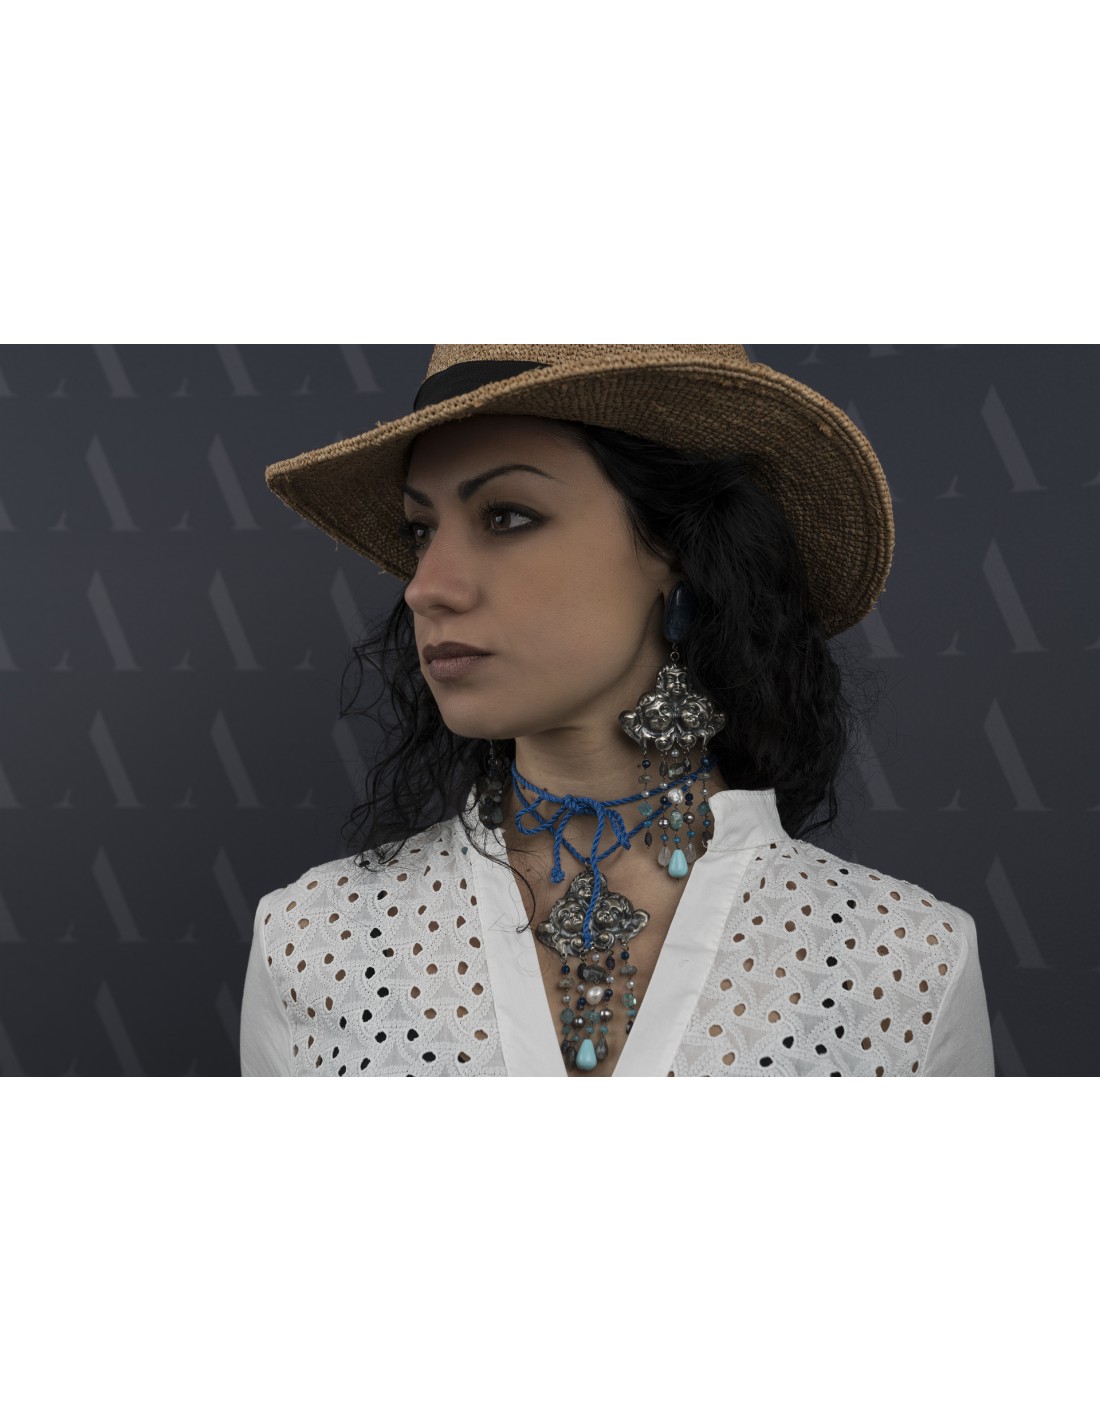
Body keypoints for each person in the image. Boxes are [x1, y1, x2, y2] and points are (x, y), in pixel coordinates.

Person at [240, 344, 995, 1077]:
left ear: (680, 547)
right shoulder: (315, 941)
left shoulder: (903, 964)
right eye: (421, 530)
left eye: (506, 517)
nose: (425, 587)